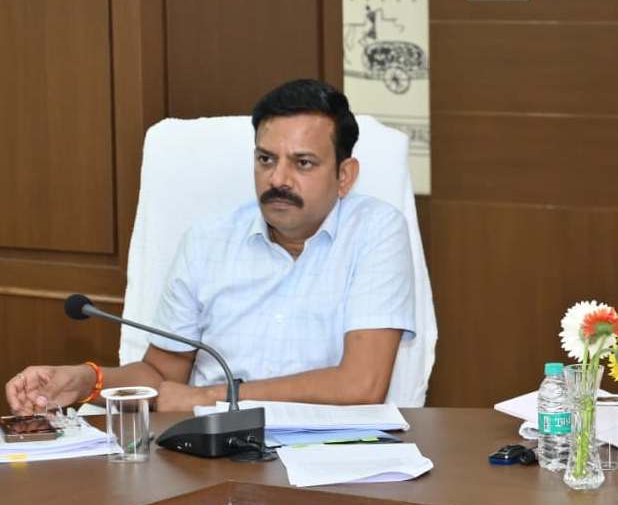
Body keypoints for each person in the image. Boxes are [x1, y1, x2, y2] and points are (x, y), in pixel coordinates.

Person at [6, 79, 415, 413]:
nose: (278, 179)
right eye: (266, 159)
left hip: (329, 459)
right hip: (211, 455)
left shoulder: (375, 231)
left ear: (344, 176)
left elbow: (361, 385)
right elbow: (161, 376)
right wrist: (85, 381)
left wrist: (211, 397)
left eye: (302, 163)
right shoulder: (208, 242)